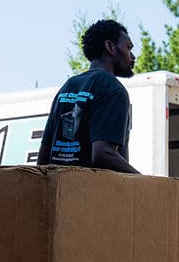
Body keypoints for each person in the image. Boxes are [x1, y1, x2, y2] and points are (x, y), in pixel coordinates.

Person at [37, 19, 140, 174]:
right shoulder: (112, 88)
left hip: (61, 186)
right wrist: (145, 182)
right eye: (128, 47)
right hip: (93, 188)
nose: (132, 56)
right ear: (110, 47)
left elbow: (43, 158)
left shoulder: (68, 86)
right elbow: (103, 153)